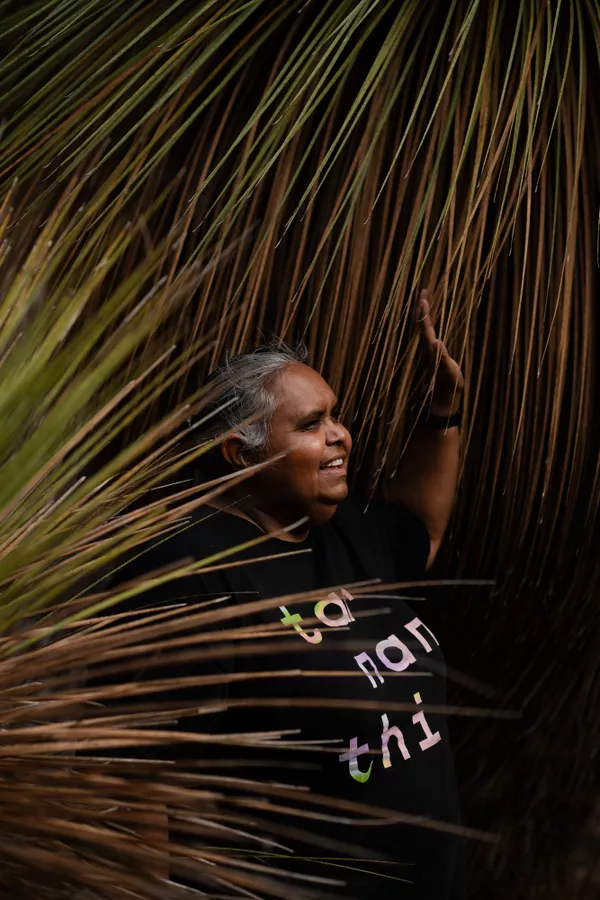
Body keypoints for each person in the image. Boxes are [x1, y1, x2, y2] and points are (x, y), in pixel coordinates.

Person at [115, 289, 465, 898]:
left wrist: (441, 411)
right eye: (311, 425)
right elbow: (141, 773)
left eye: (335, 416)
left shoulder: (343, 526)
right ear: (240, 454)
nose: (340, 436)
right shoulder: (190, 572)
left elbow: (423, 532)